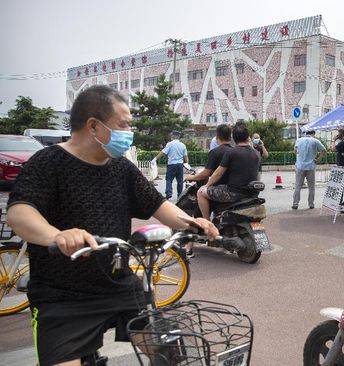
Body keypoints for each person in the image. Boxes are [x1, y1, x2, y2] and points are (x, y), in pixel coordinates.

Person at [5, 85, 219, 366]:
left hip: (118, 285)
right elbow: (20, 211)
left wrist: (194, 222)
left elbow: (157, 204)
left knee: (170, 352)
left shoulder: (121, 167)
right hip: (62, 297)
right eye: (124, 125)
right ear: (94, 125)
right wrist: (56, 235)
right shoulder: (48, 162)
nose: (129, 132)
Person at [185, 123, 232, 257]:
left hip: (217, 192)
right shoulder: (234, 151)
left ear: (217, 137)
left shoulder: (216, 152)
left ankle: (188, 248)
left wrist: (191, 177)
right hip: (232, 190)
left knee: (196, 216)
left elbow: (206, 173)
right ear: (230, 136)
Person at [197, 123, 260, 219]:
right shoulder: (255, 154)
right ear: (248, 138)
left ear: (233, 138)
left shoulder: (231, 152)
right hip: (250, 193)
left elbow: (218, 173)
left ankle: (207, 222)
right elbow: (257, 175)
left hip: (233, 193)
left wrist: (206, 185)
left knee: (200, 193)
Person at [292, 130, 325, 210]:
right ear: (313, 133)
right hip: (311, 166)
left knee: (298, 186)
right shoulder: (315, 141)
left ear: (305, 133)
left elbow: (295, 151)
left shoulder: (299, 140)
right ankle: (311, 204)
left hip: (300, 166)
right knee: (311, 187)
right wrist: (318, 159)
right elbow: (323, 150)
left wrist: (301, 155)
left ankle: (295, 204)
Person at [153, 130, 188, 200]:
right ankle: (180, 194)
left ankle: (169, 193)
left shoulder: (170, 144)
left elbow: (163, 152)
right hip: (180, 165)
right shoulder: (183, 145)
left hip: (171, 165)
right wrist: (186, 164)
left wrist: (155, 159)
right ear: (178, 137)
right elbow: (185, 156)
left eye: (171, 135)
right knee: (180, 180)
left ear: (173, 136)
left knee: (169, 179)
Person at [332, 129, 344, 206]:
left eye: (338, 134)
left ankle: (341, 201)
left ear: (341, 134)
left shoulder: (343, 143)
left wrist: (334, 141)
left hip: (342, 166)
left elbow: (333, 149)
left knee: (342, 184)